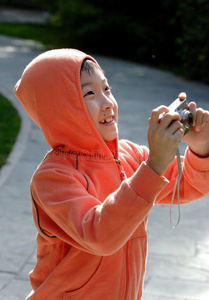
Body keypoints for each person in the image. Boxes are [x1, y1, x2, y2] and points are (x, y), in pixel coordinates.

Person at [14, 49, 209, 300]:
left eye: (106, 89)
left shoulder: (129, 155)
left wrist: (201, 148)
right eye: (89, 94)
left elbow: (187, 186)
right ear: (59, 108)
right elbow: (100, 236)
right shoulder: (53, 178)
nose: (107, 103)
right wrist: (153, 166)